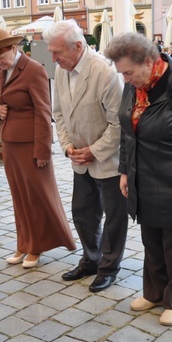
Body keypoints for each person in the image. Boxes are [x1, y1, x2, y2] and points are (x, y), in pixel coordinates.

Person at [103, 32, 172, 326]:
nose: (125, 79)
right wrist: (125, 171)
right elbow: (128, 133)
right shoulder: (134, 86)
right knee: (151, 239)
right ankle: (154, 292)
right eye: (122, 73)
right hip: (143, 176)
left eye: (128, 72)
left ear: (148, 61)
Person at [0, 29, 75, 269]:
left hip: (31, 145)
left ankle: (36, 247)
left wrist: (42, 151)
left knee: (37, 198)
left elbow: (43, 112)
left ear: (12, 48)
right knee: (19, 197)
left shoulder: (34, 70)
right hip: (10, 143)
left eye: (0, 56)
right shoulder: (1, 70)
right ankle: (24, 243)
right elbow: (0, 101)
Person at [44, 19, 128, 293]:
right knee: (83, 214)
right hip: (79, 160)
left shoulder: (104, 72)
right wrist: (68, 148)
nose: (53, 58)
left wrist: (93, 151)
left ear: (78, 46)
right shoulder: (62, 70)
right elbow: (58, 114)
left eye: (57, 52)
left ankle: (109, 267)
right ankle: (91, 259)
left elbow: (119, 123)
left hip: (108, 161)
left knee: (114, 217)